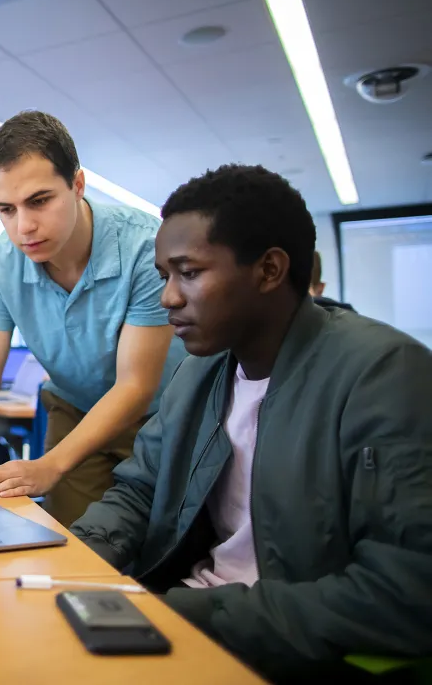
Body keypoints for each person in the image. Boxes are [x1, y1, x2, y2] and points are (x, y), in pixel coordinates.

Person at [70, 164, 432, 681]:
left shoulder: (384, 374)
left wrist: (180, 612)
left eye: (189, 273)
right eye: (163, 276)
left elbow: (408, 589)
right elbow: (139, 491)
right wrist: (67, 563)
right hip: (192, 615)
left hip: (281, 643)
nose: (168, 297)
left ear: (269, 271)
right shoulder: (200, 372)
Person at [0, 111, 185, 526]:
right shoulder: (3, 261)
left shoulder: (143, 248)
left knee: (159, 546)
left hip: (162, 414)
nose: (23, 226)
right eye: (6, 209)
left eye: (39, 201)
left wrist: (50, 465)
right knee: (79, 544)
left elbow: (135, 384)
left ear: (77, 185)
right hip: (75, 406)